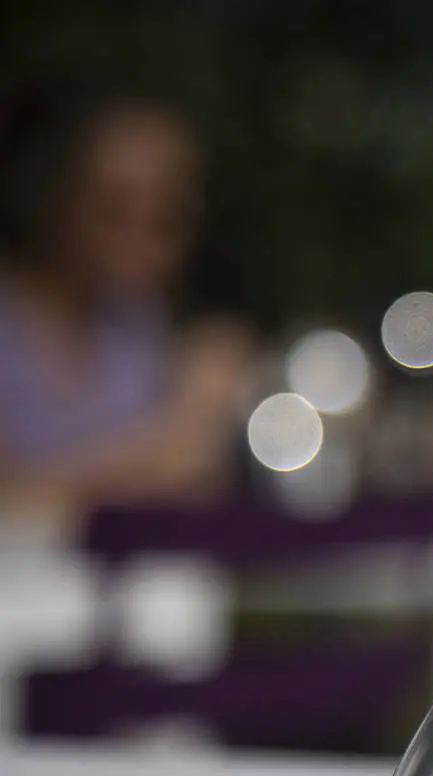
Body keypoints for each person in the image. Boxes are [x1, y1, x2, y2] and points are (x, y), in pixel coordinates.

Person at [0, 70, 253, 516]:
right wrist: (178, 438)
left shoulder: (144, 329)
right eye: (114, 209)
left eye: (168, 216)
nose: (144, 239)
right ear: (45, 195)